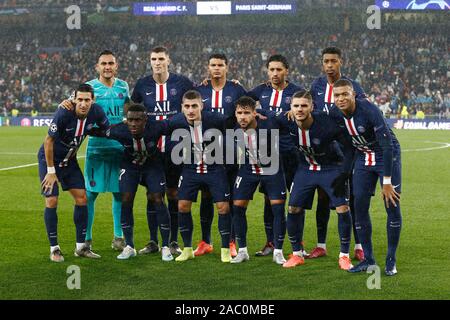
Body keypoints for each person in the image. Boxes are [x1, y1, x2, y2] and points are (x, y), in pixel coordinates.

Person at [330, 79, 402, 276]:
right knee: (358, 206)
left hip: (386, 155)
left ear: (354, 94)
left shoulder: (369, 110)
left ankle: (390, 259)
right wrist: (344, 172)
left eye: (345, 94)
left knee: (392, 205)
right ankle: (368, 260)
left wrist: (386, 182)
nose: (341, 98)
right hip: (363, 156)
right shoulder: (335, 113)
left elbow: (387, 145)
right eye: (337, 95)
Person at [280, 90, 354, 270]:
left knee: (342, 208)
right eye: (296, 106)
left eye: (304, 105)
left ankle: (344, 256)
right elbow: (265, 118)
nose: (300, 109)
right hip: (306, 170)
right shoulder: (285, 120)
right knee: (293, 207)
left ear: (312, 107)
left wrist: (344, 172)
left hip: (331, 168)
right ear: (290, 108)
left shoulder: (326, 124)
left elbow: (349, 146)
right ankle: (297, 254)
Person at [131, 46, 194, 256]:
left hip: (176, 149)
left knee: (173, 194)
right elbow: (133, 110)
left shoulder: (182, 83)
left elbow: (197, 100)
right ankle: (152, 241)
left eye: (161, 59)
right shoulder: (142, 85)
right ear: (150, 62)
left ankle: (174, 241)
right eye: (153, 59)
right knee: (152, 195)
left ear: (169, 60)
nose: (157, 62)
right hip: (151, 151)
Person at [89, 103, 173, 261]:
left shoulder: (156, 127)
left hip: (152, 165)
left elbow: (176, 124)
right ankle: (129, 246)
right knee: (126, 199)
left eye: (137, 120)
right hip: (129, 165)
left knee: (158, 199)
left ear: (145, 120)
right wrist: (82, 125)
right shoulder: (119, 129)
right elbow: (97, 131)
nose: (133, 124)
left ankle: (166, 246)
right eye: (130, 120)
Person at [38, 83, 109, 262]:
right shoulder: (64, 112)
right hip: (50, 161)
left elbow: (106, 129)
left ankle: (81, 248)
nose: (83, 103)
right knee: (52, 200)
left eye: (87, 100)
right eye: (80, 100)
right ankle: (54, 248)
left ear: (92, 100)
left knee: (82, 198)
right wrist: (51, 171)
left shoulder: (97, 112)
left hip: (69, 161)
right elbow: (48, 142)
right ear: (74, 99)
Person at [309, 46, 366, 261]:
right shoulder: (316, 85)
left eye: (334, 61)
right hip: (324, 152)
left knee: (352, 198)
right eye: (326, 61)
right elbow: (308, 108)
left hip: (348, 150)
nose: (330, 65)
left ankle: (359, 246)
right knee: (322, 197)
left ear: (340, 62)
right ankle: (321, 245)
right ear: (322, 63)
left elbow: (362, 110)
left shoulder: (352, 85)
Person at [164, 90, 233, 263]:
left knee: (223, 208)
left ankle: (225, 249)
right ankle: (187, 249)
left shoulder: (216, 120)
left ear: (201, 106)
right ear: (182, 108)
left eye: (194, 106)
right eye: (187, 106)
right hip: (190, 170)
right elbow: (156, 127)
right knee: (182, 206)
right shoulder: (175, 122)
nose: (191, 110)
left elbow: (237, 122)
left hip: (215, 169)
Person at [247, 54, 304, 257]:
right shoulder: (260, 91)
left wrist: (269, 115)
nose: (274, 73)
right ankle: (270, 242)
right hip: (268, 152)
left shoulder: (297, 92)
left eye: (279, 69)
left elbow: (302, 116)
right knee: (270, 200)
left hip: (292, 152)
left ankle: (299, 244)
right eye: (271, 69)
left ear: (286, 71)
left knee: (296, 200)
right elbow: (242, 101)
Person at [194, 53, 247, 258]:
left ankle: (232, 241)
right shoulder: (200, 90)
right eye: (213, 65)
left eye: (220, 65)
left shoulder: (236, 89)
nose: (217, 68)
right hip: (205, 151)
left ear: (227, 67)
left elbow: (248, 109)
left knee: (231, 197)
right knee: (206, 196)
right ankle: (205, 241)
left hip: (232, 150)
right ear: (208, 67)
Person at [230, 96, 287, 265]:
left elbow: (285, 118)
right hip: (248, 170)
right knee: (237, 207)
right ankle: (242, 251)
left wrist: (264, 112)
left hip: (272, 169)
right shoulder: (234, 126)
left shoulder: (270, 124)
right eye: (239, 113)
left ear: (255, 113)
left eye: (247, 113)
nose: (242, 117)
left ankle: (278, 251)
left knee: (277, 208)